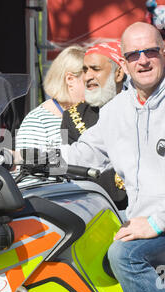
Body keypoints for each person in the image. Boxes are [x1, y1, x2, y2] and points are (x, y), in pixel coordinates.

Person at [59, 22, 165, 292]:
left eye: (150, 52)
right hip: (144, 213)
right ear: (124, 64)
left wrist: (155, 222)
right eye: (134, 54)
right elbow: (81, 154)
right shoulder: (117, 110)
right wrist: (22, 157)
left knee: (126, 256)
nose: (143, 60)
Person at [61, 41, 127, 210]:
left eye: (95, 69)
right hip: (91, 209)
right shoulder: (72, 116)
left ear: (118, 73)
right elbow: (70, 173)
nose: (87, 76)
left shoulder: (139, 108)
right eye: (85, 70)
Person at [15, 45, 86, 151]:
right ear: (70, 80)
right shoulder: (37, 122)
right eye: (88, 82)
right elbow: (26, 165)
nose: (94, 88)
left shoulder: (94, 113)